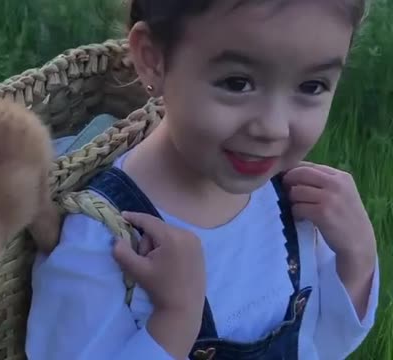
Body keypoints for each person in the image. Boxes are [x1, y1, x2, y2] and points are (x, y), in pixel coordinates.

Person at [25, 0, 380, 359]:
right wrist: (174, 322)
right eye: (237, 83)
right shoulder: (102, 241)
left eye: (312, 86)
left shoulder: (290, 201)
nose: (274, 128)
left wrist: (357, 259)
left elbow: (315, 346)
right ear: (153, 59)